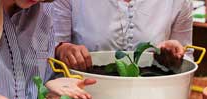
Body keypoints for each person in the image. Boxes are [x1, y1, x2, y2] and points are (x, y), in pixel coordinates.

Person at [52, 0, 193, 71]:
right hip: (87, 98)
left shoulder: (177, 2)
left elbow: (187, 60)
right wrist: (63, 49)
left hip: (153, 98)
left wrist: (176, 55)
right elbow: (51, 49)